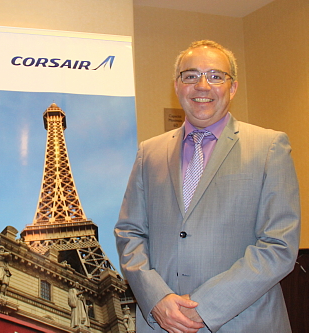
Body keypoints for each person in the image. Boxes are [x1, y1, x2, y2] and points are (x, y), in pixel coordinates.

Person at [114, 40, 300, 333]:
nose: (202, 85)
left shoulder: (269, 147)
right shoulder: (149, 152)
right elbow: (130, 232)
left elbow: (278, 246)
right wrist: (156, 298)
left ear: (233, 87)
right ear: (177, 86)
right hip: (161, 323)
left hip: (244, 323)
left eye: (215, 76)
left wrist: (205, 307)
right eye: (190, 75)